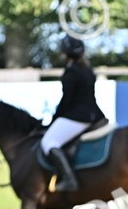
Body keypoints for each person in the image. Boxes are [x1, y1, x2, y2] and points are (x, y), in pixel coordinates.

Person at [40, 34, 105, 192]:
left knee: (48, 142)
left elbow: (66, 101)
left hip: (78, 117)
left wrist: (54, 120)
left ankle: (69, 179)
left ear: (64, 53)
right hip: (96, 115)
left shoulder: (71, 72)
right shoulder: (88, 70)